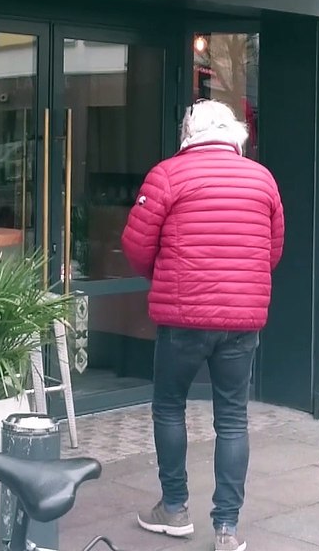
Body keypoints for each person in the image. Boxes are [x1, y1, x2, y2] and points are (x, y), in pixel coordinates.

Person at [121, 99, 285, 551]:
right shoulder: (262, 178)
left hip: (183, 316)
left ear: (188, 132)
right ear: (234, 133)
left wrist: (166, 275)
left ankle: (173, 508)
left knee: (169, 407)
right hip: (243, 318)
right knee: (232, 418)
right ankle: (227, 529)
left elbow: (136, 246)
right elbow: (272, 251)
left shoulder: (167, 174)